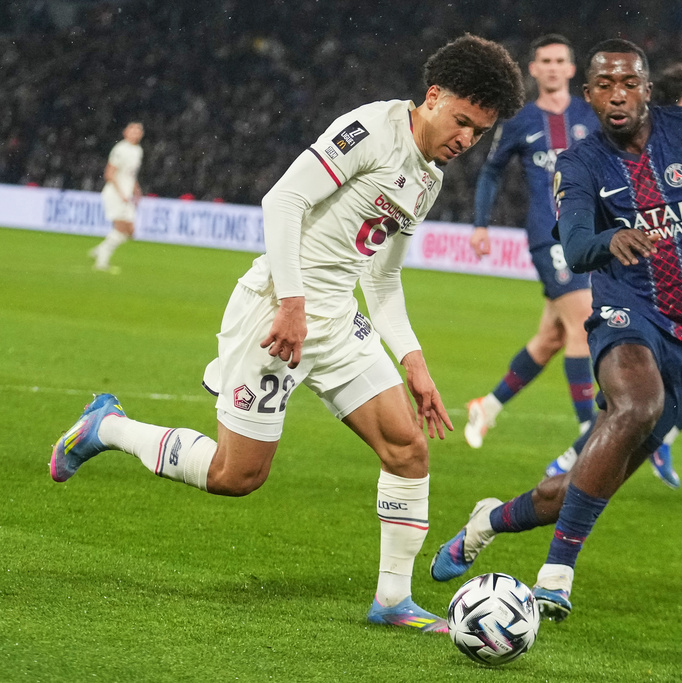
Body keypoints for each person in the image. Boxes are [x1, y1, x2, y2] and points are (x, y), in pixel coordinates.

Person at [50, 35, 525, 633]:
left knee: (408, 450)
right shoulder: (370, 130)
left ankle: (392, 601)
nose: (466, 140)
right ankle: (107, 428)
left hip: (335, 324)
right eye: (462, 122)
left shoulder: (427, 178)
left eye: (478, 133)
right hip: (277, 314)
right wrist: (294, 305)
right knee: (235, 477)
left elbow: (383, 277)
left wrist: (414, 361)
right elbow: (283, 201)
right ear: (432, 97)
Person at [431, 39, 682, 621]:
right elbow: (574, 248)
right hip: (625, 310)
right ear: (590, 95)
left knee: (576, 489)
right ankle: (556, 576)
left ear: (647, 87)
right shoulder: (580, 162)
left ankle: (487, 520)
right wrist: (609, 240)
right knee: (636, 403)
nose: (618, 94)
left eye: (628, 82)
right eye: (605, 85)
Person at [544, 61, 682, 488]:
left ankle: (604, 448)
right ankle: (579, 456)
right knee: (637, 398)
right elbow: (582, 237)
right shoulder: (609, 159)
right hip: (646, 295)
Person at [463, 35, 599, 452]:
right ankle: (588, 433)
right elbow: (490, 172)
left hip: (590, 235)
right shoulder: (519, 120)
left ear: (572, 70)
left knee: (551, 339)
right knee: (583, 323)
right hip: (548, 235)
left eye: (561, 60)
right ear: (534, 69)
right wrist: (481, 225)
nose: (554, 67)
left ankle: (487, 406)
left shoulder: (590, 116)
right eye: (546, 60)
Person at [90, 121, 144, 272]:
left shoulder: (138, 150)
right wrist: (121, 193)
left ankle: (100, 249)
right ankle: (101, 262)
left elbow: (130, 175)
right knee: (121, 228)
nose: (136, 133)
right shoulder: (120, 149)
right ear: (125, 132)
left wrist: (136, 190)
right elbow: (109, 174)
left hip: (126, 195)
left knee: (131, 231)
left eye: (138, 131)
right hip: (115, 194)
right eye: (132, 130)